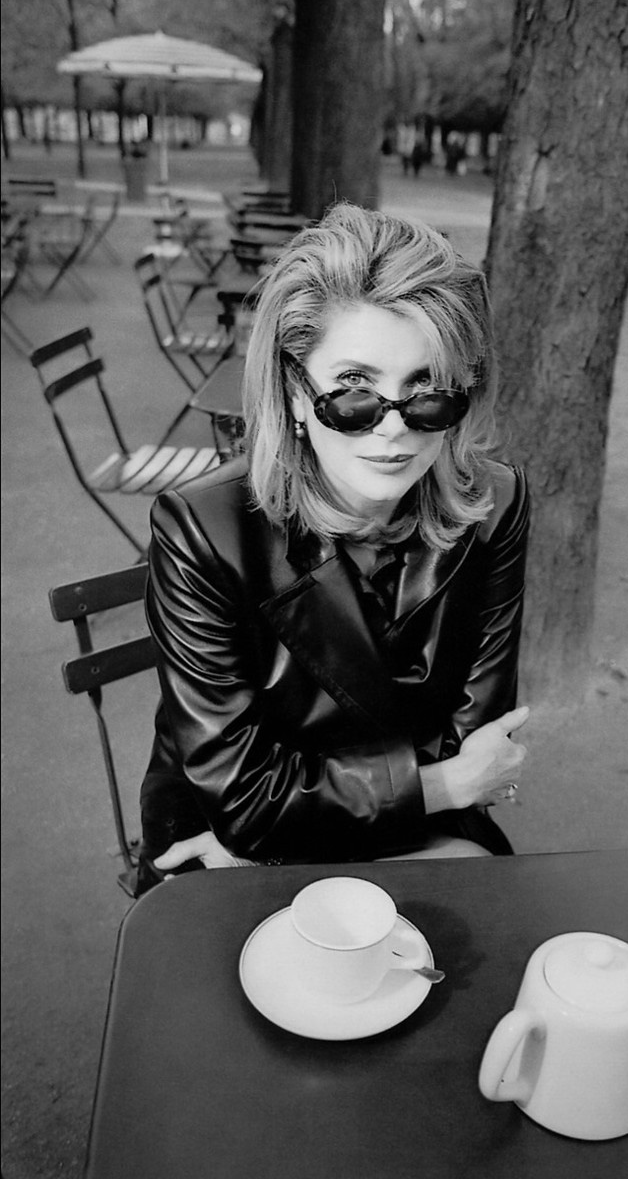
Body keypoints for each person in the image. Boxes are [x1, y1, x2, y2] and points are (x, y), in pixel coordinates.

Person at [136, 202, 530, 894]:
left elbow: (479, 745)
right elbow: (242, 796)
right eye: (354, 395)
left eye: (429, 394)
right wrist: (436, 783)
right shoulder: (204, 529)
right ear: (294, 391)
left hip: (383, 836)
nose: (394, 432)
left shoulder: (495, 506)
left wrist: (285, 820)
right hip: (216, 849)